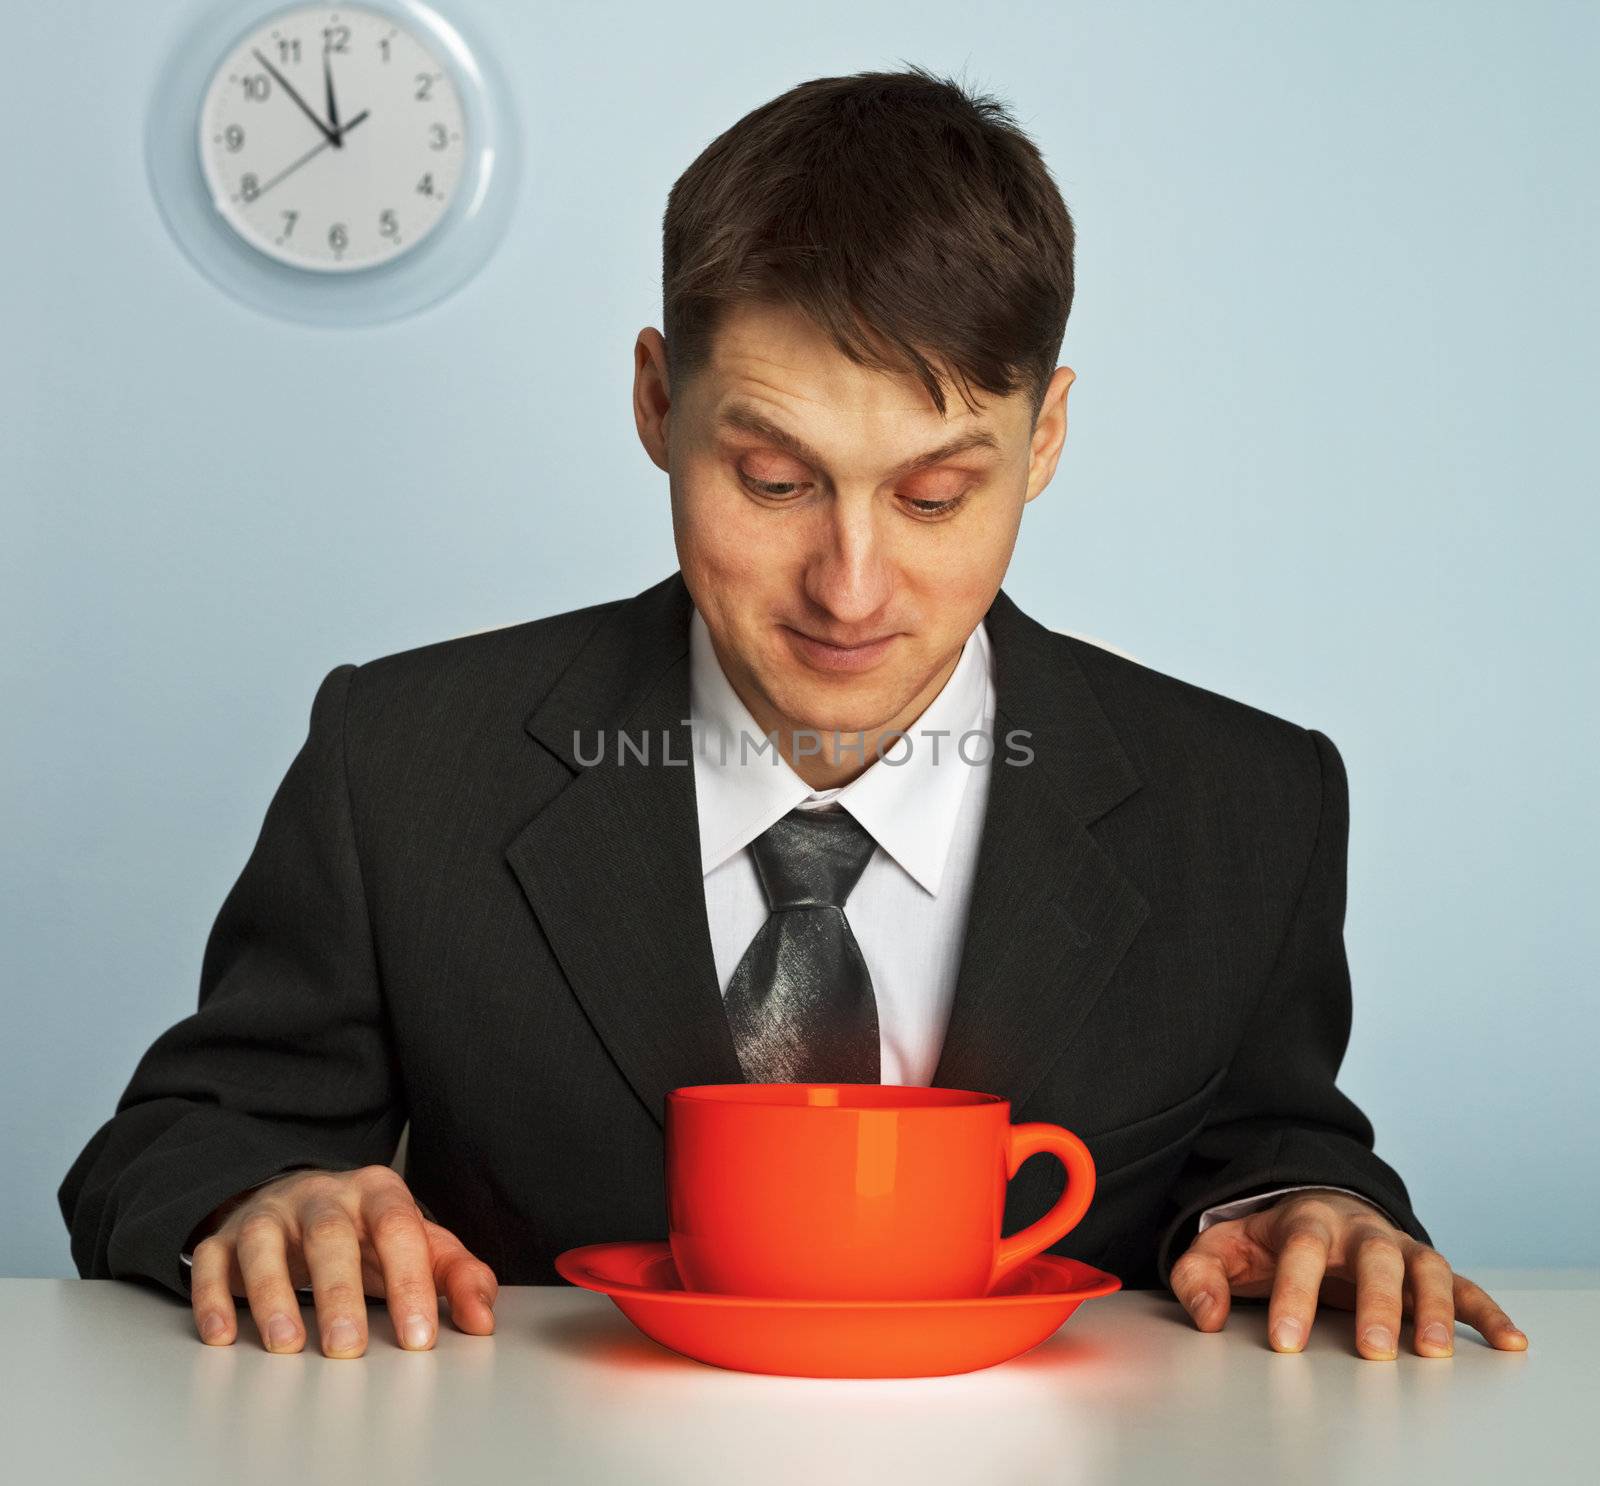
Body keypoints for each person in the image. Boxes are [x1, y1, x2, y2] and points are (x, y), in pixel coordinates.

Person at [59, 66, 1526, 1364]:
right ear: (656, 401)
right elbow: (177, 1141)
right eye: (773, 480)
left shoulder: (1249, 804)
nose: (851, 583)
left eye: (939, 494)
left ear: (1050, 437)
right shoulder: (402, 763)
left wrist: (1311, 1213)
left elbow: (1269, 1144)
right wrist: (264, 1196)